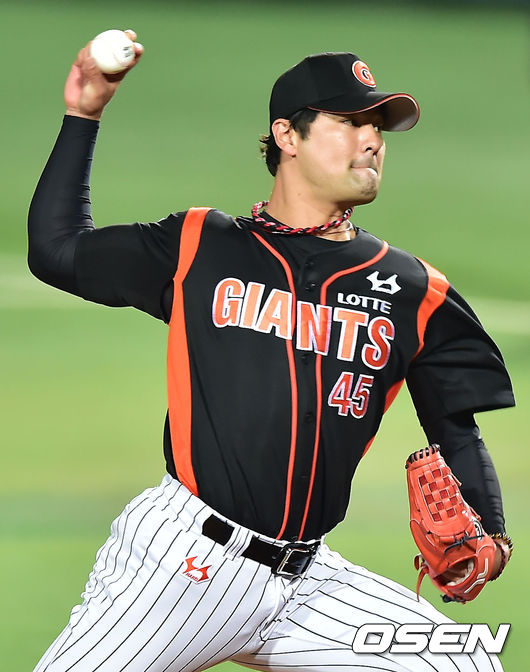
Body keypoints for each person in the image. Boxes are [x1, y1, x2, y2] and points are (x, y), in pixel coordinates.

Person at [28, 30, 514, 672]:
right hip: (181, 567)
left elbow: (455, 428)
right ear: (288, 135)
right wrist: (83, 115)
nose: (372, 139)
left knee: (462, 663)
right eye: (350, 122)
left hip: (308, 584)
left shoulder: (413, 290)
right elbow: (57, 251)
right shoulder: (202, 246)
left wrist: (491, 536)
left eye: (378, 126)